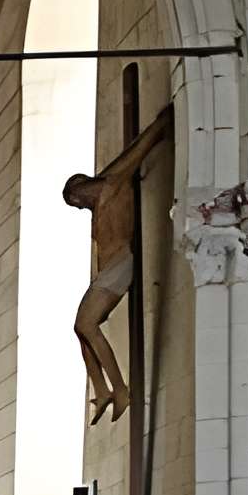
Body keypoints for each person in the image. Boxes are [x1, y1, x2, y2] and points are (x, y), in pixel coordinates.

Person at [62, 105, 172, 422]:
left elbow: (136, 152)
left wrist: (160, 125)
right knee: (80, 329)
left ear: (81, 188)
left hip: (120, 264)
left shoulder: (113, 185)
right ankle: (102, 390)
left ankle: (120, 390)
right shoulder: (102, 197)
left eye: (77, 200)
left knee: (85, 324)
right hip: (109, 272)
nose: (80, 207)